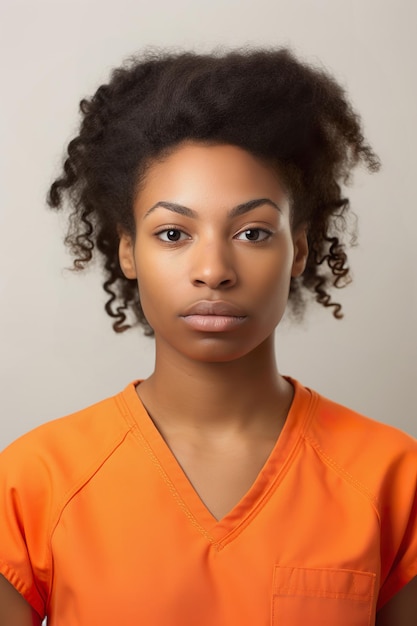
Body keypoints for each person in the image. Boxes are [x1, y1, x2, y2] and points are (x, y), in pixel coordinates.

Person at [0, 48, 416, 626]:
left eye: (251, 231)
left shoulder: (394, 476)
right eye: (173, 233)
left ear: (298, 248)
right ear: (127, 249)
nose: (214, 269)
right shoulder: (34, 479)